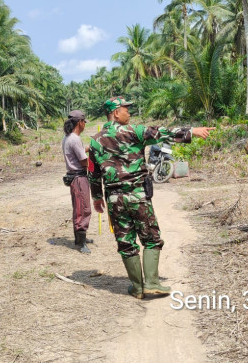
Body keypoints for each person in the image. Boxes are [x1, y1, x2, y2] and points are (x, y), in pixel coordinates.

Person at [89, 96, 214, 299]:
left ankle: (137, 287)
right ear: (115, 113)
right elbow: (163, 133)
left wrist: (96, 197)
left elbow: (93, 172)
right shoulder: (134, 132)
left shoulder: (95, 140)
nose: (129, 112)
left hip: (114, 199)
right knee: (151, 239)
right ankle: (152, 283)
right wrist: (193, 132)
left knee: (126, 242)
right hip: (137, 195)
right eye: (125, 109)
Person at [62, 110, 93, 253]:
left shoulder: (68, 138)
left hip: (74, 176)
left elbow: (78, 152)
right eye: (84, 122)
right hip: (79, 176)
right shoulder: (74, 139)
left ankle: (81, 238)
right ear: (80, 123)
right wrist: (95, 162)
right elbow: (83, 161)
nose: (84, 125)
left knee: (79, 207)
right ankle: (80, 243)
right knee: (83, 208)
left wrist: (89, 148)